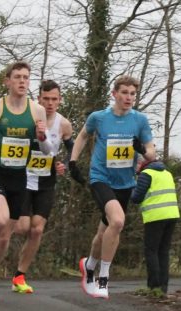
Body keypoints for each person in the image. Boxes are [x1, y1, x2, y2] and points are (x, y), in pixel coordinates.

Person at [0, 61, 51, 302]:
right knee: (0, 219)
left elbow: (46, 150)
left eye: (26, 77)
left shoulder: (37, 111)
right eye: (17, 77)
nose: (22, 81)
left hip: (19, 177)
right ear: (8, 81)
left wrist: (42, 137)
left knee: (5, 237)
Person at [68, 75, 158, 299]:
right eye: (125, 92)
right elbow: (82, 136)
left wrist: (143, 150)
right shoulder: (99, 118)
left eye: (132, 94)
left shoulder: (140, 120)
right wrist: (72, 161)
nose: (129, 97)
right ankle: (103, 279)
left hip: (125, 183)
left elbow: (151, 152)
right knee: (117, 221)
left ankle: (89, 264)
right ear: (114, 94)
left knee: (104, 233)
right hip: (101, 178)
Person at [10, 79, 72, 294]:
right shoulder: (28, 118)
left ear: (60, 100)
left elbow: (69, 149)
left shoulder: (64, 124)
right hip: (23, 178)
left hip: (46, 181)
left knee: (37, 229)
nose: (50, 103)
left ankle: (19, 275)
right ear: (39, 99)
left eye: (54, 99)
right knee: (21, 228)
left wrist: (62, 164)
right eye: (46, 99)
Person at [130, 158, 179, 297]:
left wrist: (132, 186)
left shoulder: (147, 174)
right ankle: (163, 287)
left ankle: (153, 286)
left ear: (143, 163)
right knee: (163, 252)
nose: (136, 167)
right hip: (172, 215)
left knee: (151, 251)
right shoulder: (167, 173)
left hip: (155, 216)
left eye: (137, 163)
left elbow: (136, 198)